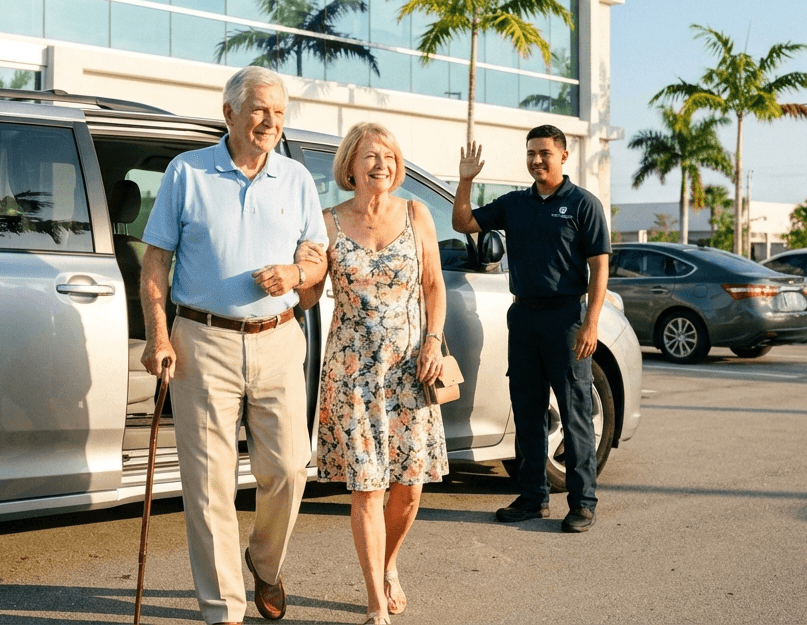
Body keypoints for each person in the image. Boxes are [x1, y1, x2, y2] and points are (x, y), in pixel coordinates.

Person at [139, 66, 329, 625]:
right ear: (230, 114)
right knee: (209, 484)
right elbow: (156, 260)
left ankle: (265, 564)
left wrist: (295, 273)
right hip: (201, 340)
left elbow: (317, 256)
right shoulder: (186, 172)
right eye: (260, 110)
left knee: (290, 470)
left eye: (279, 112)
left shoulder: (296, 179)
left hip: (276, 340)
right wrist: (157, 335)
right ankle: (223, 609)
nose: (271, 121)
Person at [298, 123, 448, 625]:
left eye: (388, 156)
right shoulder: (328, 222)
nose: (380, 165)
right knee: (367, 486)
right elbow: (311, 293)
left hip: (410, 370)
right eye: (369, 157)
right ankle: (374, 601)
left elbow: (433, 286)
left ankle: (388, 564)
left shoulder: (416, 213)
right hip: (352, 373)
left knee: (409, 487)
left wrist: (432, 340)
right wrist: (298, 271)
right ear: (350, 167)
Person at [451, 125, 610, 533]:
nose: (537, 160)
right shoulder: (515, 204)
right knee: (527, 410)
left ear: (562, 155)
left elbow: (599, 266)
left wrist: (590, 323)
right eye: (531, 153)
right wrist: (466, 180)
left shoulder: (582, 204)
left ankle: (582, 502)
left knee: (574, 413)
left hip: (566, 319)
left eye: (544, 152)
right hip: (522, 317)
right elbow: (463, 222)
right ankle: (533, 497)